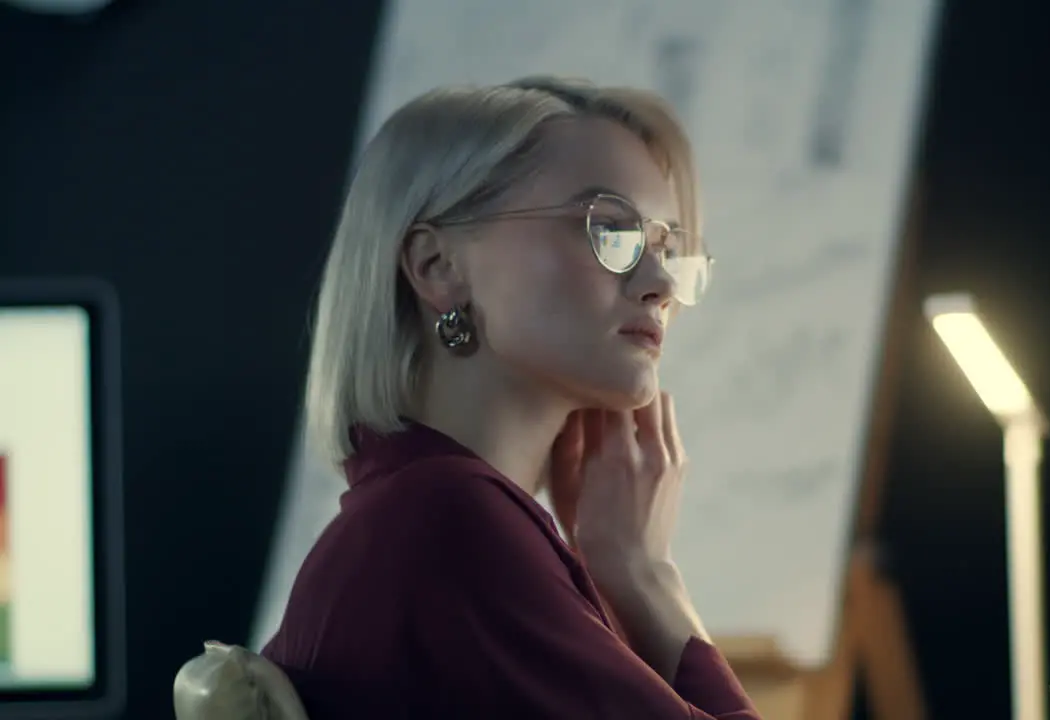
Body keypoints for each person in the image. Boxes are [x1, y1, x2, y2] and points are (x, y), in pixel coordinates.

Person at [260, 75, 760, 719]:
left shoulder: (420, 513)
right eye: (610, 230)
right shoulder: (447, 521)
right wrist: (645, 576)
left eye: (666, 247)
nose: (661, 283)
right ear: (438, 266)